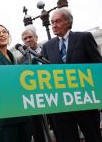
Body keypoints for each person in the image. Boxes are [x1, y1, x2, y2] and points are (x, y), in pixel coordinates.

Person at [41, 8, 102, 142]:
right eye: (51, 22)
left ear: (68, 22)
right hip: (61, 107)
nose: (54, 25)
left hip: (85, 103)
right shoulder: (47, 46)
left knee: (94, 137)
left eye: (57, 21)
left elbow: (98, 66)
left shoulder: (84, 38)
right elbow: (45, 75)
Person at [0, 24, 32, 142]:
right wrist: (1, 91)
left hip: (22, 112)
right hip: (7, 115)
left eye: (4, 32)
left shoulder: (13, 56)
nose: (1, 34)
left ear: (8, 35)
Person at [18, 26, 47, 142]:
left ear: (36, 37)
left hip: (52, 95)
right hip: (34, 99)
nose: (28, 40)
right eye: (24, 39)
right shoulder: (20, 60)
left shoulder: (48, 50)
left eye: (30, 37)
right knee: (38, 131)